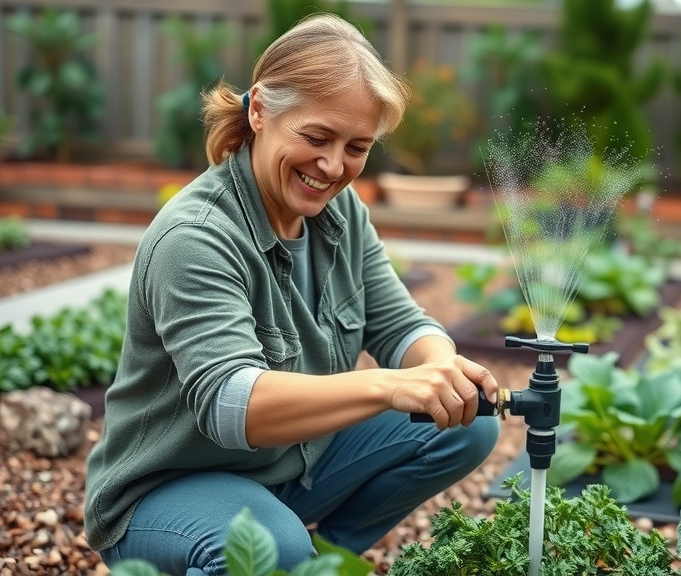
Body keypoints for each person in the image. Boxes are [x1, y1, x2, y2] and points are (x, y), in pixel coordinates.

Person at [84, 13, 500, 575]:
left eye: (357, 147)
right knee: (271, 549)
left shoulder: (341, 212)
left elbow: (401, 326)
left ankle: (325, 565)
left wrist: (441, 373)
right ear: (259, 111)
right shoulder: (196, 237)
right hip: (167, 490)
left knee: (467, 423)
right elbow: (233, 406)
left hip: (290, 469)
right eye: (316, 137)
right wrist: (389, 385)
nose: (333, 167)